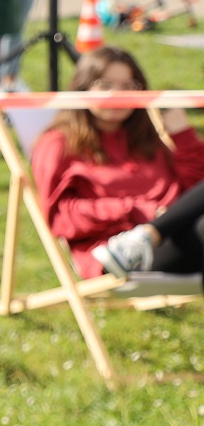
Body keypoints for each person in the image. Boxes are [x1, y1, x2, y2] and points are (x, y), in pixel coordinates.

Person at [31, 46, 204, 280]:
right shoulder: (58, 143)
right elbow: (61, 217)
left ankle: (152, 232)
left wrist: (183, 137)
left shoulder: (145, 138)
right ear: (83, 88)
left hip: (178, 233)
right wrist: (135, 210)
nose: (117, 95)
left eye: (127, 86)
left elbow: (193, 194)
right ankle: (147, 236)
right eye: (105, 85)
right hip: (116, 252)